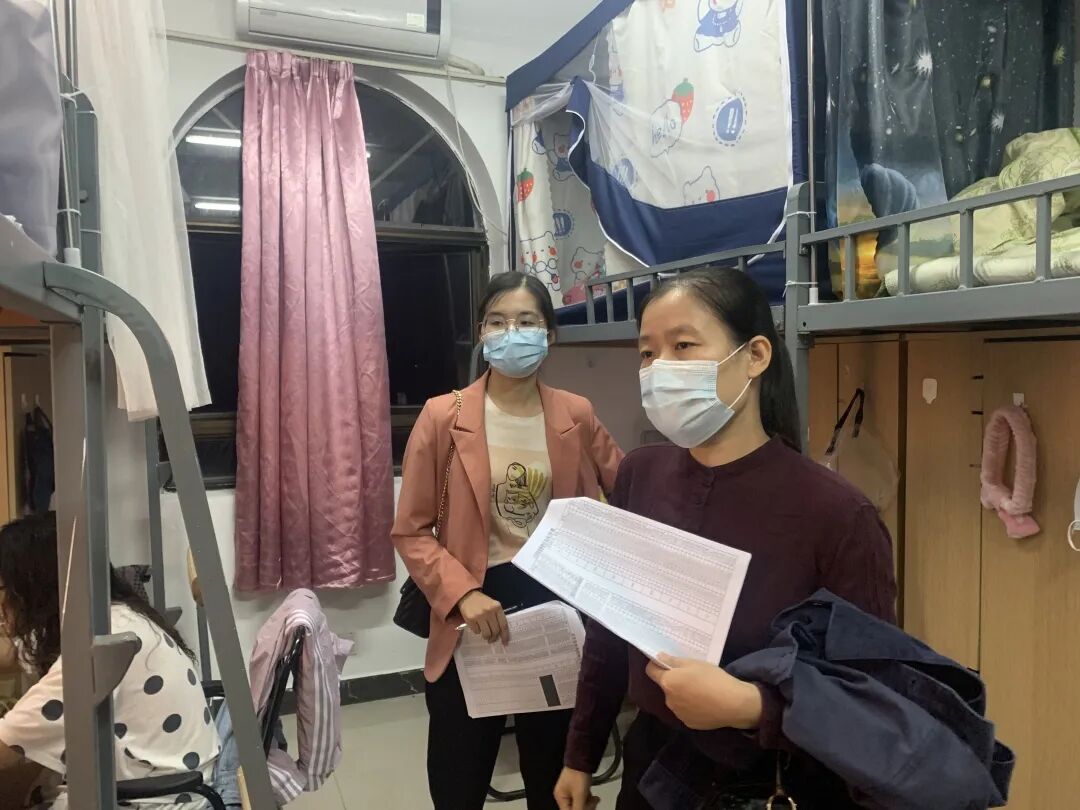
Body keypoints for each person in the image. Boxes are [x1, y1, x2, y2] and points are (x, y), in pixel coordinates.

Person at [554, 268, 898, 810]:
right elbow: (608, 627)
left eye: (683, 345)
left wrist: (752, 706)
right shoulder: (640, 475)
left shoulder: (836, 514)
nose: (659, 368)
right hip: (653, 771)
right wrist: (580, 755)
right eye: (647, 353)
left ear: (755, 356)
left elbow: (873, 699)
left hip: (772, 783)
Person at [393, 271, 624, 810]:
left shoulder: (576, 413)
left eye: (526, 321)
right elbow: (411, 529)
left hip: (555, 609)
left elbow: (631, 488)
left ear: (549, 334)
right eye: (497, 322)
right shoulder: (443, 415)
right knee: (458, 775)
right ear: (481, 332)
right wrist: (463, 594)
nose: (511, 333)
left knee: (553, 777)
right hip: (472, 610)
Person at [0, 514, 219, 809]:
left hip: (153, 800)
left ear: (31, 589)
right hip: (175, 787)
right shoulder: (116, 616)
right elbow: (13, 652)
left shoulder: (101, 646)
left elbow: (5, 747)